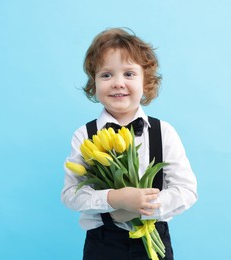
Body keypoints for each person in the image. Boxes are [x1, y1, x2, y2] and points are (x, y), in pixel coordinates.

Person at [61, 28, 198, 260]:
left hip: (154, 240)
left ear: (146, 82)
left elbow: (186, 190)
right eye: (106, 75)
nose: (117, 83)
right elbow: (71, 194)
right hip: (102, 244)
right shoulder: (84, 135)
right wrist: (114, 200)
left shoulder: (163, 132)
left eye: (129, 74)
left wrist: (142, 207)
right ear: (94, 84)